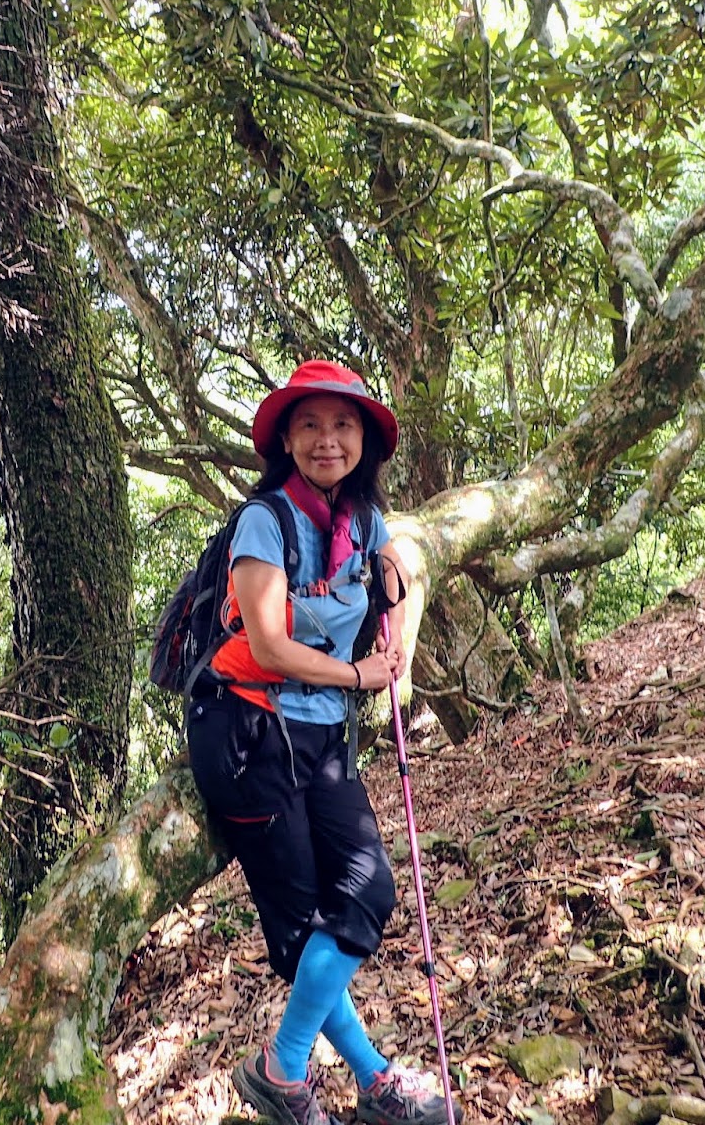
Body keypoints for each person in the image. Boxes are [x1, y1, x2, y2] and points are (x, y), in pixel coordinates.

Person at [187, 360, 462, 1125]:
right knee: (305, 925)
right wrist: (361, 674)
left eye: (343, 425)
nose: (327, 440)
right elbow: (268, 646)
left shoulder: (364, 520)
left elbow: (390, 570)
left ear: (364, 442)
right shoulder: (264, 522)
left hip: (318, 733)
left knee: (368, 893)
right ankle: (359, 1080)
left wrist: (393, 608)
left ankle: (291, 1069)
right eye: (308, 424)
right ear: (285, 439)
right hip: (243, 731)